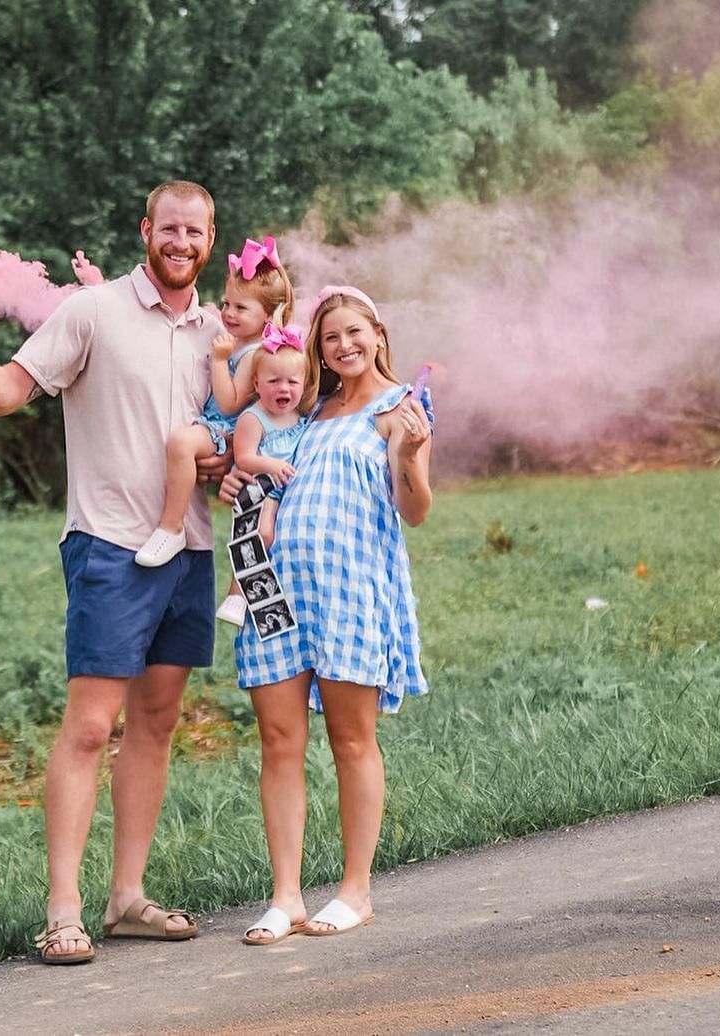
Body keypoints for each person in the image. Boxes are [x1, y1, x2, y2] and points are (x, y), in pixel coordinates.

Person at [0, 181, 230, 965]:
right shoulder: (92, 313)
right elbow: (7, 395)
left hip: (190, 548)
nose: (180, 242)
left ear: (210, 239)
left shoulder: (218, 332)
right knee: (93, 726)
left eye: (194, 231)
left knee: (158, 723)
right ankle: (63, 912)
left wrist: (227, 466)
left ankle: (127, 899)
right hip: (108, 545)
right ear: (146, 231)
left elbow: (224, 434)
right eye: (169, 228)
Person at [221, 285, 434, 946]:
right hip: (275, 589)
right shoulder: (306, 410)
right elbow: (257, 466)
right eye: (330, 337)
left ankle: (354, 891)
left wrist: (405, 455)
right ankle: (285, 897)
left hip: (348, 588)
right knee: (280, 742)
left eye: (353, 333)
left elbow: (416, 510)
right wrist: (236, 479)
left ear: (377, 333)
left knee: (350, 739)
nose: (343, 346)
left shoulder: (402, 409)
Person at [134, 237, 295, 625]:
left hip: (225, 428)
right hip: (225, 430)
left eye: (241, 307)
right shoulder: (243, 342)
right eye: (226, 303)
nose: (228, 312)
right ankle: (240, 595)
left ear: (270, 315)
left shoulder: (255, 352)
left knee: (181, 443)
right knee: (253, 521)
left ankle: (171, 528)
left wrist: (221, 361)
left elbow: (228, 401)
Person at [220, 321, 308, 623]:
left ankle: (268, 609)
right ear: (257, 384)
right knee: (262, 532)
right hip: (262, 487)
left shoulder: (300, 416)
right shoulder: (253, 418)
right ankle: (235, 594)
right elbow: (244, 458)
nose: (283, 388)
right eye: (273, 382)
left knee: (276, 537)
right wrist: (271, 465)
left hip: (285, 491)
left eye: (292, 382)